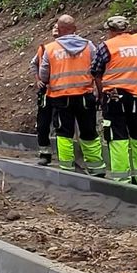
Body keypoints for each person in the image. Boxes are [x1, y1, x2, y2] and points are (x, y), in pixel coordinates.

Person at [38, 15, 106, 176]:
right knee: (89, 131)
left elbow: (43, 75)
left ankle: (68, 168)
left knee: (64, 133)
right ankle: (96, 167)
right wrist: (99, 93)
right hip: (85, 96)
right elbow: (97, 69)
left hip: (61, 98)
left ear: (59, 30)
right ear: (75, 29)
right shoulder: (89, 46)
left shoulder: (51, 49)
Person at [92, 15, 137, 186]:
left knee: (117, 137)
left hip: (115, 97)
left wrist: (101, 94)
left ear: (111, 30)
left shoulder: (107, 46)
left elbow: (96, 71)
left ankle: (121, 179)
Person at [30, 23, 59, 165]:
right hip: (46, 91)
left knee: (60, 123)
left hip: (62, 91)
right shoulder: (44, 49)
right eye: (53, 26)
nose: (55, 29)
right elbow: (34, 64)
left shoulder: (69, 49)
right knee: (43, 123)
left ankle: (66, 154)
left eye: (58, 26)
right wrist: (38, 80)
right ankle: (45, 153)